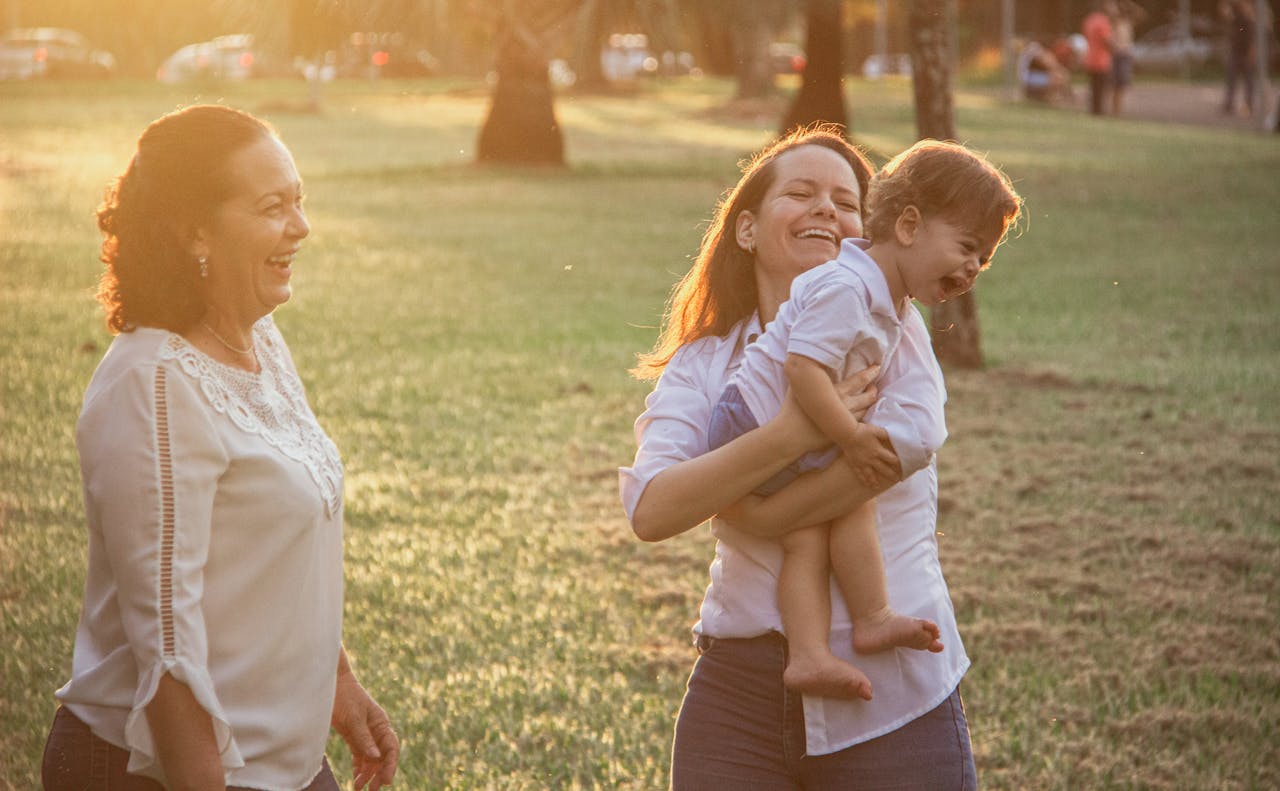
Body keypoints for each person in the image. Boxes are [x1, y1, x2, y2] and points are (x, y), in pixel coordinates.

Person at [621, 124, 1012, 788]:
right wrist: (789, 436)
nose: (827, 209)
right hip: (739, 694)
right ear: (747, 230)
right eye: (801, 193)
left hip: (890, 697)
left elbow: (904, 445)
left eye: (845, 200)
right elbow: (654, 510)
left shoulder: (895, 334)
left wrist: (759, 513)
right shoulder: (706, 362)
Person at [41, 105, 399, 791]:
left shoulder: (256, 339)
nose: (301, 227)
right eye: (272, 207)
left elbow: (264, 556)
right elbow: (169, 653)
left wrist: (336, 680)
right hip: (159, 769)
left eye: (299, 201)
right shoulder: (152, 383)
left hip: (282, 762)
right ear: (192, 229)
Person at [703, 138, 1020, 703]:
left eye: (985, 259)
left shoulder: (887, 301)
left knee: (811, 538)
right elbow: (803, 369)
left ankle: (813, 653)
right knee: (846, 504)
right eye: (968, 246)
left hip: (777, 422)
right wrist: (848, 437)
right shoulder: (849, 287)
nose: (974, 267)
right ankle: (861, 621)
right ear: (908, 225)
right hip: (751, 421)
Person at [1220, 0, 1258, 117]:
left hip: (1245, 52)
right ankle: (1228, 104)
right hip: (1236, 52)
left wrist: (1252, 53)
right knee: (1231, 78)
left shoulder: (1250, 20)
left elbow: (1253, 40)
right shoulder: (1237, 17)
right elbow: (1225, 11)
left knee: (1249, 80)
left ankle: (1248, 104)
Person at [1110, 1, 1145, 115]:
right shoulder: (1114, 23)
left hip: (1125, 55)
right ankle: (1115, 110)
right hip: (1117, 55)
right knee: (1115, 84)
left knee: (1122, 84)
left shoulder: (1127, 22)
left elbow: (1141, 13)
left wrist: (1128, 3)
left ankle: (1118, 111)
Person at [1083, 0, 1117, 115]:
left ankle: (1094, 110)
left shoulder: (1090, 19)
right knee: (1101, 89)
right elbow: (1107, 40)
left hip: (1090, 57)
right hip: (1101, 60)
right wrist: (1115, 47)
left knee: (1094, 88)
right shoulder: (1103, 21)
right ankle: (1099, 112)